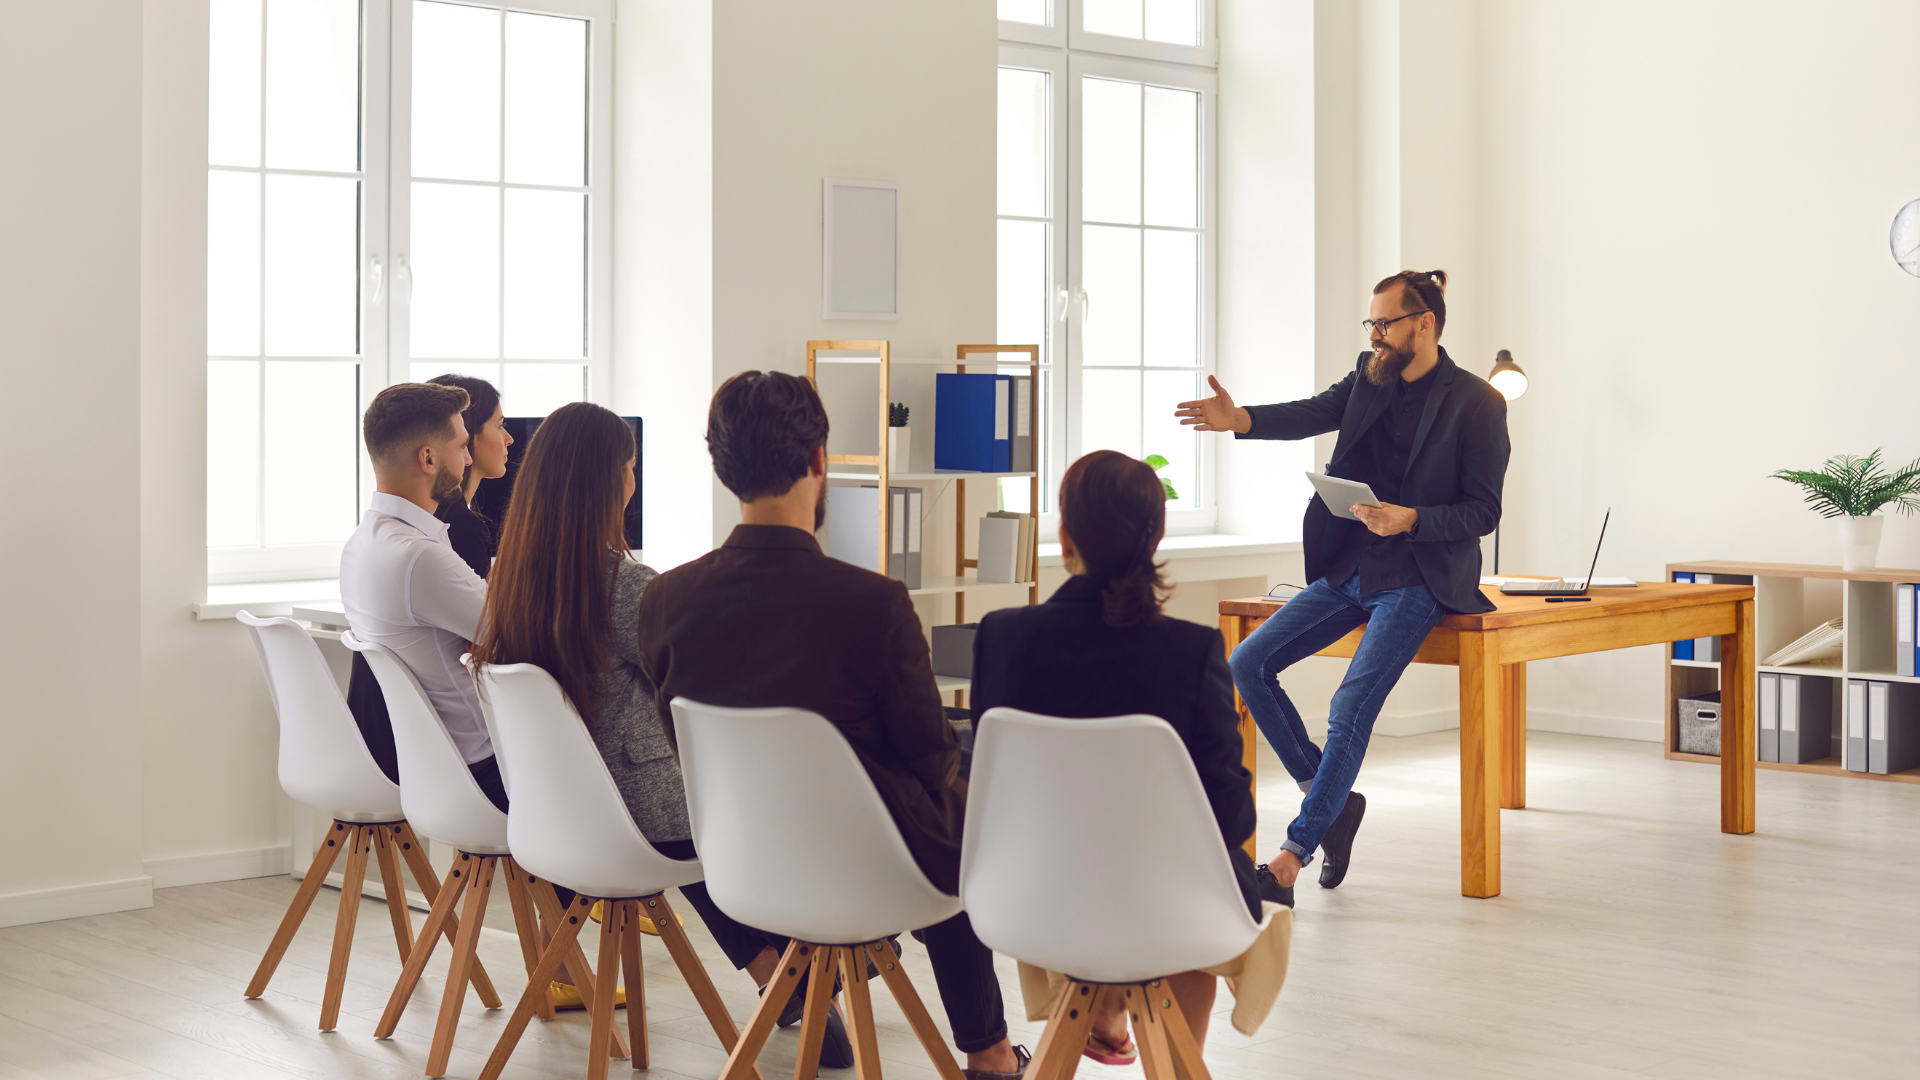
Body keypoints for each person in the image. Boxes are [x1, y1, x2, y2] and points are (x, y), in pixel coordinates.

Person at [635, 371, 1028, 1080]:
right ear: (819, 461)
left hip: (745, 869)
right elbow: (928, 755)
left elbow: (685, 748)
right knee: (961, 809)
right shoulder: (871, 603)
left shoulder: (664, 601)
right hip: (872, 874)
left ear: (722, 468)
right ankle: (991, 1053)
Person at [1175, 269, 1510, 905]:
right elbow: (1310, 413)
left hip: (1418, 575)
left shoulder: (1477, 402)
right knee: (1246, 663)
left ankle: (1288, 859)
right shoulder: (1369, 373)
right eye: (1372, 324)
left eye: (1386, 324)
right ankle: (1333, 806)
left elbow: (1484, 511)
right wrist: (1238, 418)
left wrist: (1411, 518)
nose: (1376, 335)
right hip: (1349, 565)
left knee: (1348, 706)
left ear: (1425, 324)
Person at [467, 401, 794, 1022]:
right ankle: (797, 970)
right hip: (638, 816)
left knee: (710, 816)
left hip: (555, 816)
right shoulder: (625, 584)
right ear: (615, 481)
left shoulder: (510, 580)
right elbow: (703, 690)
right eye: (631, 468)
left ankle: (784, 978)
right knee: (757, 802)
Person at [968, 449, 1271, 1064]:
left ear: (1065, 535)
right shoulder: (1190, 652)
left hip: (1033, 899)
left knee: (1117, 882)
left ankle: (1099, 1003)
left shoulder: (1001, 638)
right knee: (1201, 888)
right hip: (1167, 911)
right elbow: (1232, 819)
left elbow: (987, 792)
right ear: (1157, 537)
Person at [339, 382, 504, 805]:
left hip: (432, 767)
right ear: (428, 458)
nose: (467, 459)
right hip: (481, 774)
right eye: (462, 445)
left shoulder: (362, 545)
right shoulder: (419, 558)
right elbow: (517, 632)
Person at [426, 373, 514, 576]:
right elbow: (482, 609)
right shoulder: (463, 528)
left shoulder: (435, 515)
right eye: (500, 426)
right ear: (465, 432)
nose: (509, 439)